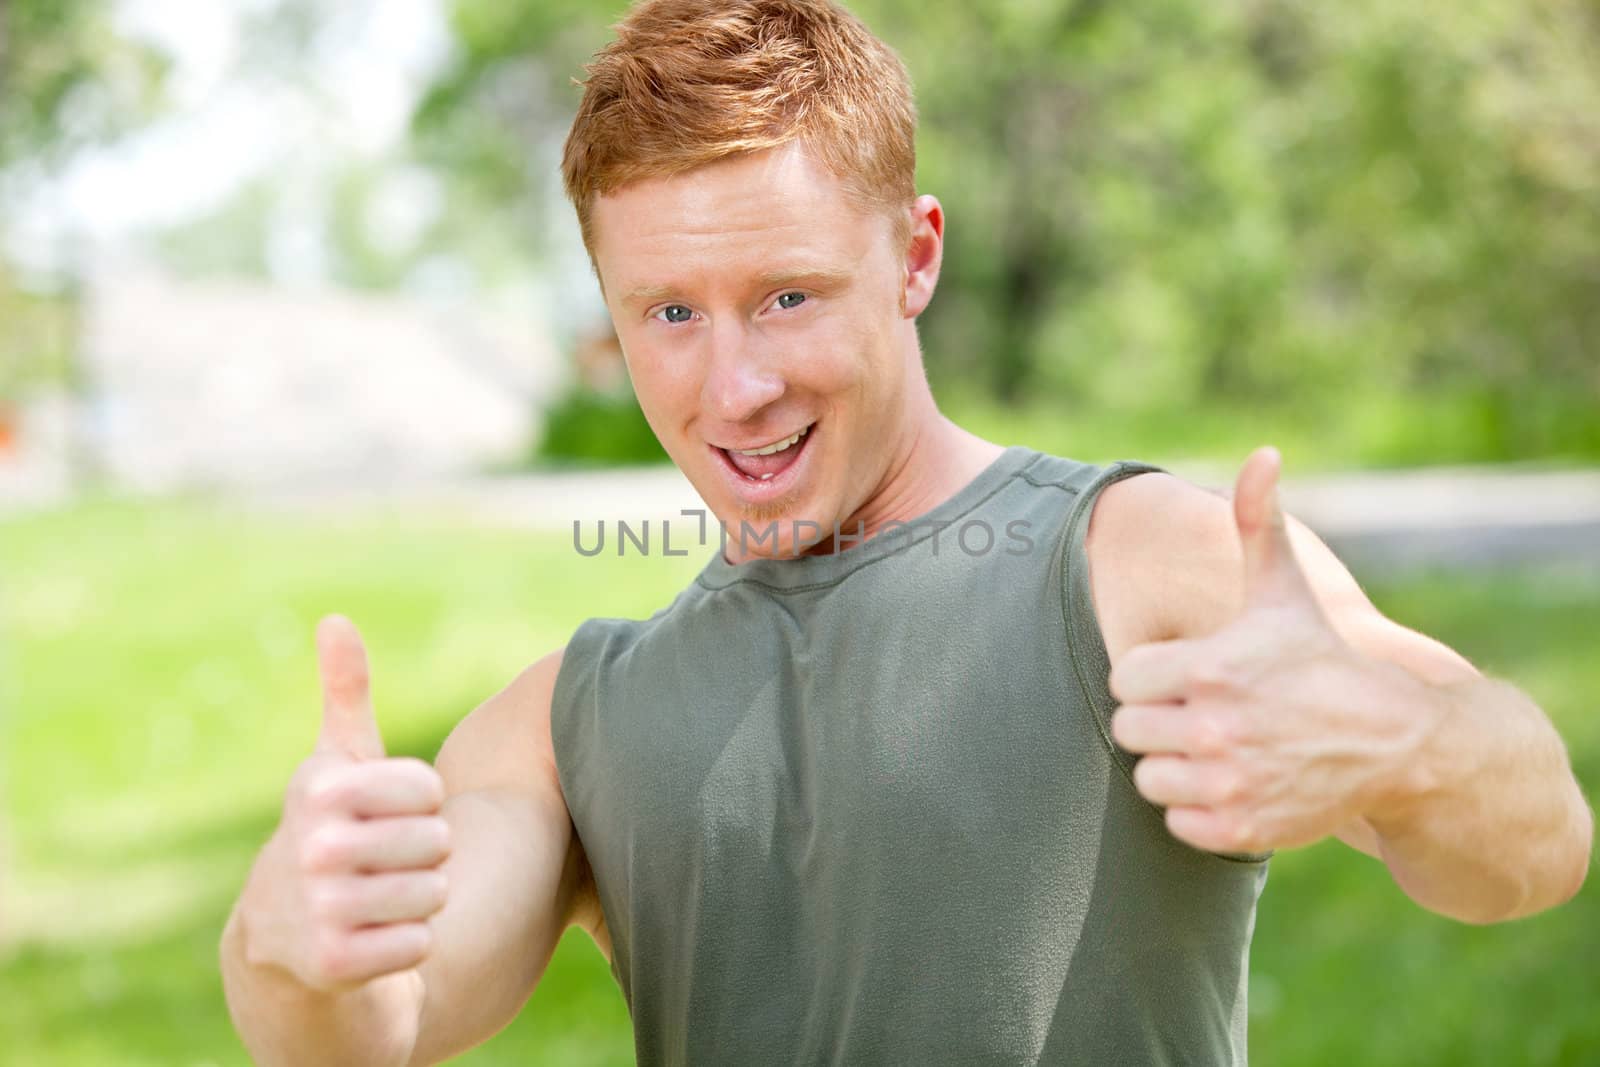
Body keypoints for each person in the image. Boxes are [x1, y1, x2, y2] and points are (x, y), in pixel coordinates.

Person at [219, 1, 1593, 1064]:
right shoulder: (562, 724)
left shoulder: (1138, 563)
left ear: (917, 254)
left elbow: (1535, 851)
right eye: (672, 313)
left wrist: (1411, 752)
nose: (734, 386)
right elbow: (381, 1024)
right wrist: (292, 948)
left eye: (790, 297)